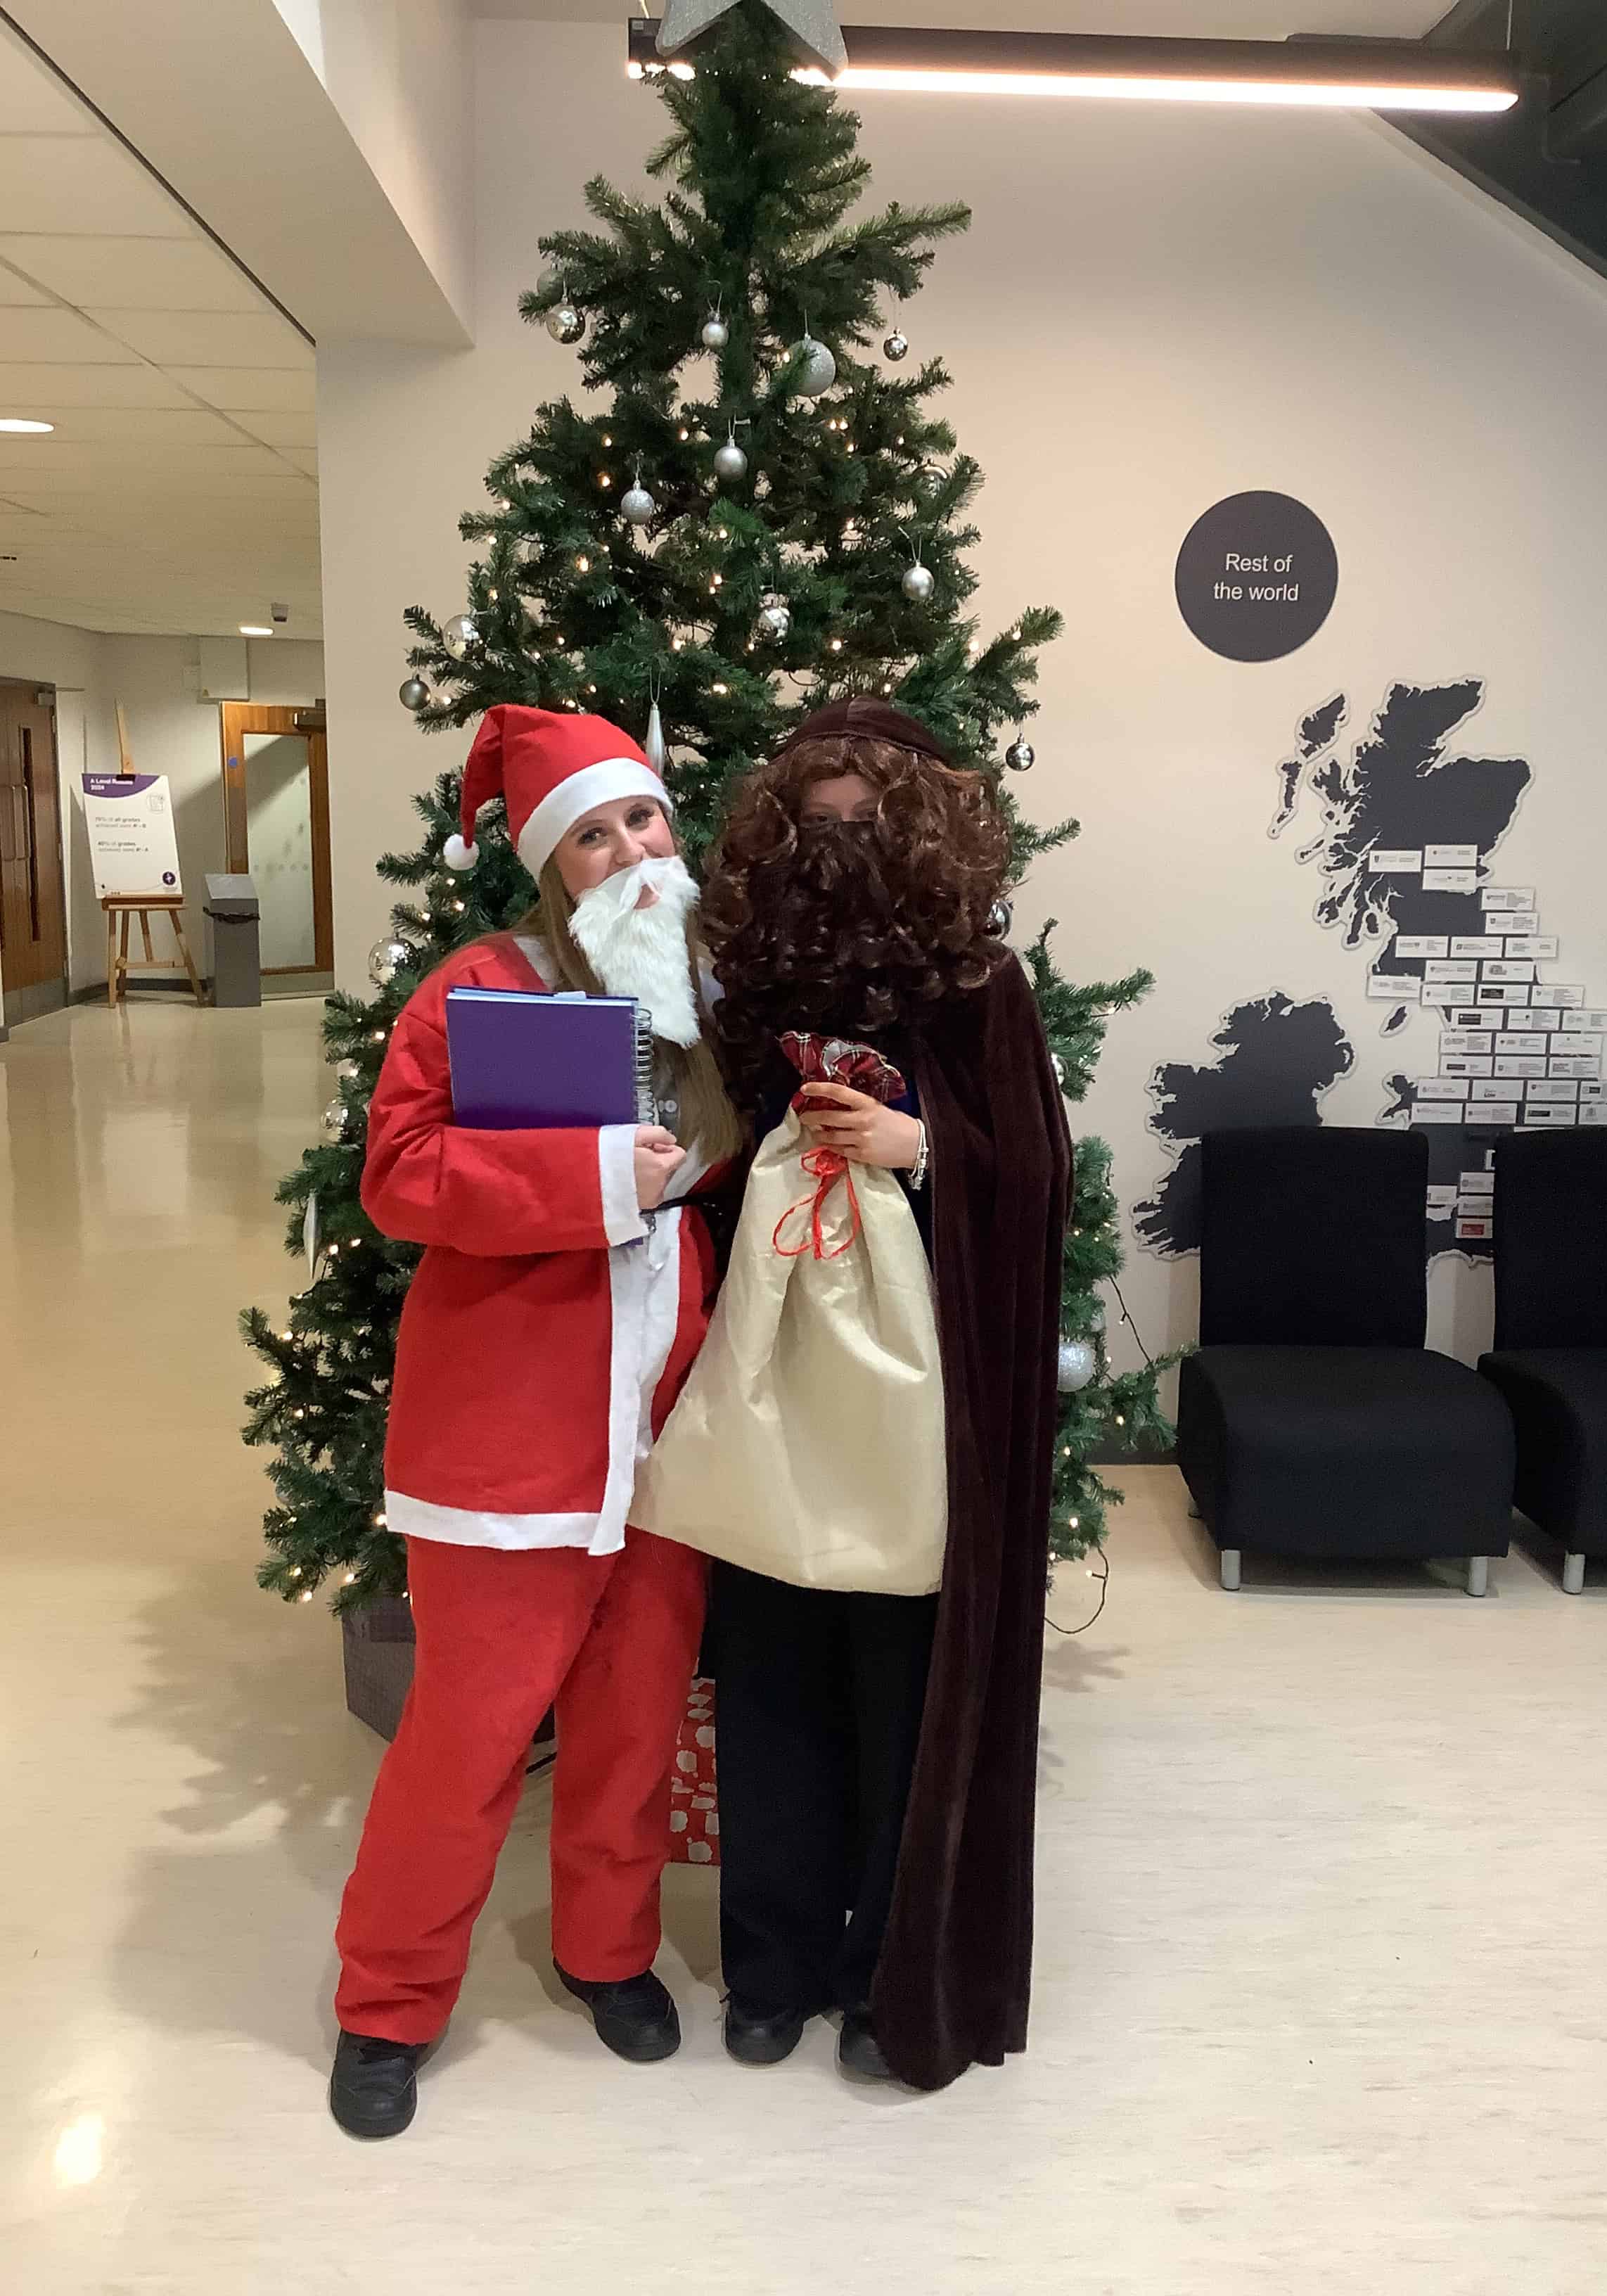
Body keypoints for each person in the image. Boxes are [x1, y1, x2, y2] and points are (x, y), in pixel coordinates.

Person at [328, 704, 744, 2140]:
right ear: (550, 862)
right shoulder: (472, 990)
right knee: (468, 1739)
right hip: (507, 1443)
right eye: (593, 835)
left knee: (632, 1726)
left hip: (663, 1437)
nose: (631, 850)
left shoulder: (700, 987)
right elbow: (399, 1178)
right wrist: (591, 1178)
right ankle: (387, 2001)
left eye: (643, 821)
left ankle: (605, 1951)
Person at [697, 696, 1073, 2092]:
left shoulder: (976, 987)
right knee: (774, 1669)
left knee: (901, 1679)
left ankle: (879, 1961)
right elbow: (691, 1154)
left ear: (919, 833)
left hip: (921, 1411)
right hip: (772, 1381)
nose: (832, 852)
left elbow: (1037, 1181)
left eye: (860, 827)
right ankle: (771, 1961)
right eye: (808, 827)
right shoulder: (747, 986)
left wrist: (920, 1143)